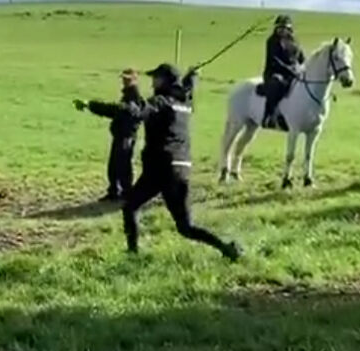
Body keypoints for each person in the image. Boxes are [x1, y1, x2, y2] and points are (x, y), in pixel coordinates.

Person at [118, 63, 242, 261]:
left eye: (156, 78)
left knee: (130, 206)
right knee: (186, 227)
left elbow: (140, 111)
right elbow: (188, 90)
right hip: (182, 168)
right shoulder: (185, 104)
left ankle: (133, 254)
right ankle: (226, 248)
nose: (152, 82)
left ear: (164, 81)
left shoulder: (160, 102)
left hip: (160, 167)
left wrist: (131, 88)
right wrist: (193, 76)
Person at [73, 68, 146, 201]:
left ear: (135, 80)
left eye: (128, 79)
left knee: (123, 165)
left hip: (126, 136)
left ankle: (125, 193)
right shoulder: (128, 95)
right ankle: (115, 191)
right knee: (115, 165)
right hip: (121, 135)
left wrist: (91, 105)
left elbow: (117, 110)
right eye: (124, 78)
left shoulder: (134, 97)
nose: (125, 81)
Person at [261, 14, 305, 129]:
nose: (281, 30)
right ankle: (270, 115)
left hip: (293, 72)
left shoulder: (295, 41)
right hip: (275, 72)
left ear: (289, 28)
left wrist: (303, 67)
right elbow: (275, 60)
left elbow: (301, 57)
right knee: (277, 84)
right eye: (279, 27)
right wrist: (291, 70)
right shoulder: (271, 41)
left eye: (284, 28)